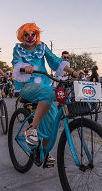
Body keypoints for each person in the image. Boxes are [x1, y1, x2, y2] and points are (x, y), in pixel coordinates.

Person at [12, 22, 83, 166]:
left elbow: (56, 61)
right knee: (51, 92)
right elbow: (16, 63)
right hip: (27, 86)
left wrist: (75, 72)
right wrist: (24, 68)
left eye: (33, 34)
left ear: (36, 35)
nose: (30, 37)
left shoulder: (42, 47)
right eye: (27, 34)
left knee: (52, 124)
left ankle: (42, 153)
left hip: (44, 87)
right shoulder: (18, 48)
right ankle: (32, 129)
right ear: (22, 36)